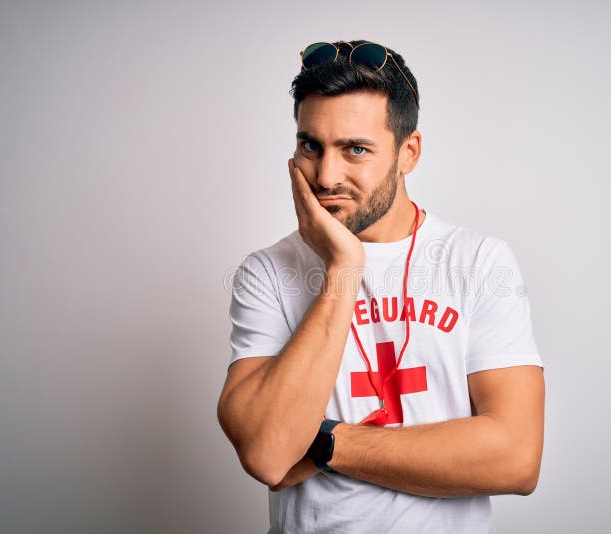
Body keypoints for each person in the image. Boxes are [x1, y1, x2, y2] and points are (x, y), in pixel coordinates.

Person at [217, 39, 545, 533]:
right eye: (311, 146)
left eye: (356, 150)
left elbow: (516, 459)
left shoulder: (478, 261)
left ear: (408, 152)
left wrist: (326, 442)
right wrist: (344, 267)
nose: (326, 176)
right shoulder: (267, 272)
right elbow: (267, 455)